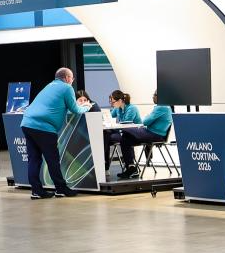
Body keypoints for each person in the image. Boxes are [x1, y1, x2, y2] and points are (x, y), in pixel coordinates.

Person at [20, 67, 91, 199]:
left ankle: (36, 191)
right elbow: (75, 109)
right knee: (52, 160)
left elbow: (57, 107)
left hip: (27, 124)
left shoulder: (49, 86)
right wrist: (87, 107)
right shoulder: (67, 88)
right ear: (67, 78)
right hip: (44, 127)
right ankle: (61, 189)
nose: (72, 81)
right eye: (72, 78)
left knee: (34, 159)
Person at [118, 92, 173, 180]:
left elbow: (145, 122)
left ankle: (131, 168)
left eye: (154, 95)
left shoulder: (161, 107)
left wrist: (147, 117)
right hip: (154, 133)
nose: (153, 97)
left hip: (154, 134)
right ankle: (131, 168)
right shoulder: (167, 107)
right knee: (125, 139)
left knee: (126, 132)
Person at [104, 89, 140, 172]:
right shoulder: (117, 108)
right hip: (122, 131)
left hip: (133, 132)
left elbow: (127, 123)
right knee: (105, 134)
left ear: (120, 100)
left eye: (113, 102)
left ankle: (129, 165)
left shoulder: (132, 108)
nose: (112, 104)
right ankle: (105, 164)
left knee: (108, 137)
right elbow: (109, 116)